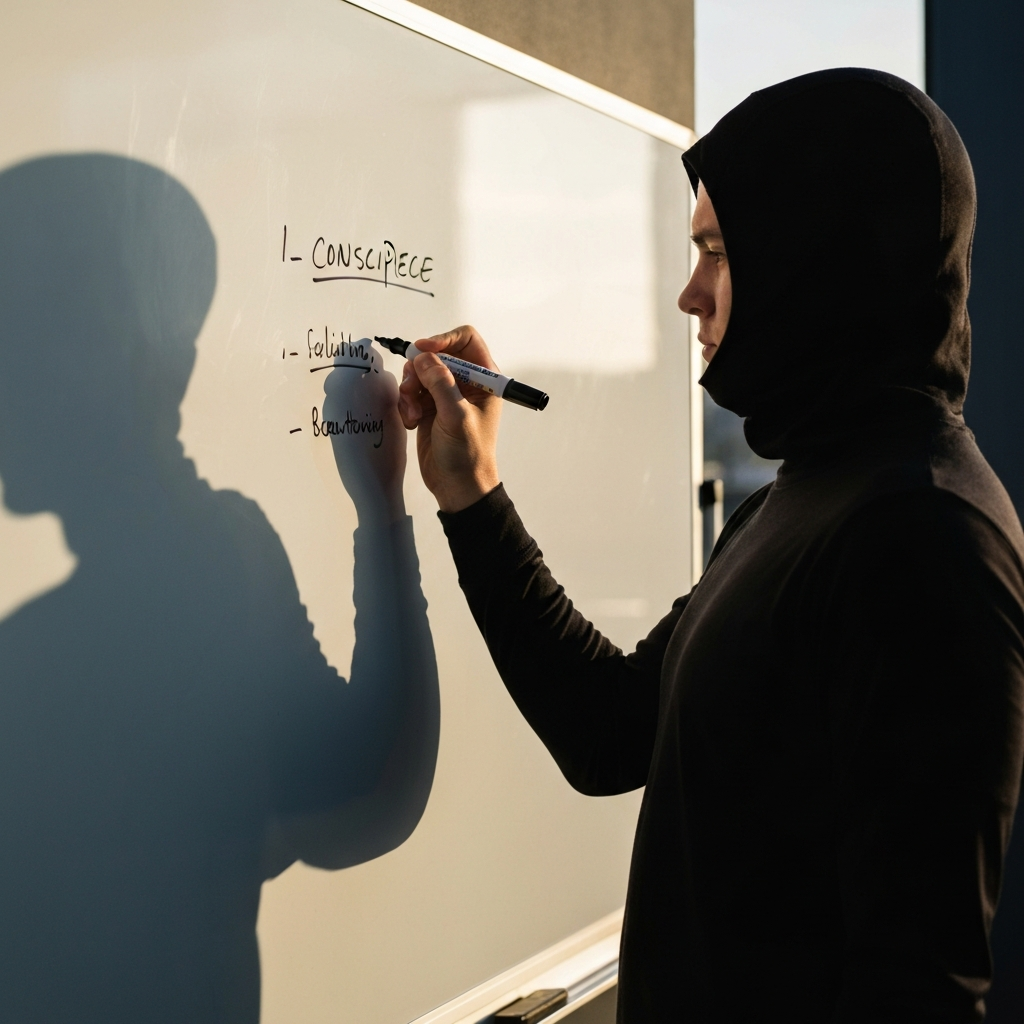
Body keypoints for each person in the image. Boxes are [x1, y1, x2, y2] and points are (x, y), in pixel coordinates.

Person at [397, 69, 1024, 1022]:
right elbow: (608, 731)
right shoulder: (801, 498)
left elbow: (917, 989)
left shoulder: (924, 534)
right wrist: (471, 491)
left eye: (720, 253)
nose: (690, 294)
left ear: (822, 254)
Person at [0, 153, 438, 1022]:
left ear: (119, 359)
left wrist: (383, 509)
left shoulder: (48, 652)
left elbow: (360, 795)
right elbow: (359, 800)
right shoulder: (222, 555)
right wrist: (379, 506)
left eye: (20, 340)